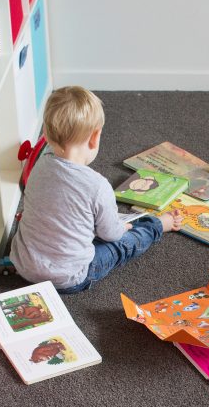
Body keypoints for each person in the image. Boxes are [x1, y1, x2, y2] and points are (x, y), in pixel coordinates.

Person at [10, 86, 182, 293]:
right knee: (123, 244)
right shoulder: (97, 186)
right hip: (69, 278)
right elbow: (111, 235)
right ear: (95, 137)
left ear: (45, 134)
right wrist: (122, 227)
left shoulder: (38, 167)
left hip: (25, 267)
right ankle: (158, 225)